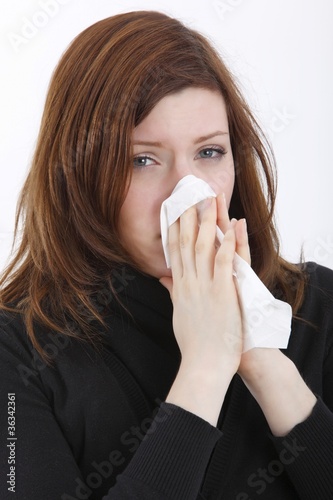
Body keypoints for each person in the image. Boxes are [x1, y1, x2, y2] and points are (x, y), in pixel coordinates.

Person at [0, 10, 332, 500]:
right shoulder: (19, 350)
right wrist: (204, 368)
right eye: (142, 160)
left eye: (210, 153)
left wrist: (262, 361)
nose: (189, 193)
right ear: (78, 173)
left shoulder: (317, 305)